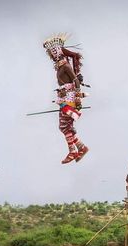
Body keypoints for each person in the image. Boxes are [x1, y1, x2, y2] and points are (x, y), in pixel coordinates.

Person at [43, 34, 89, 164]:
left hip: (69, 100)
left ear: (56, 52)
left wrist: (78, 99)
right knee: (66, 127)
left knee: (64, 126)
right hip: (64, 99)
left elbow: (76, 82)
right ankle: (81, 147)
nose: (51, 56)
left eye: (52, 53)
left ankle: (73, 151)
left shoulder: (65, 66)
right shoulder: (60, 66)